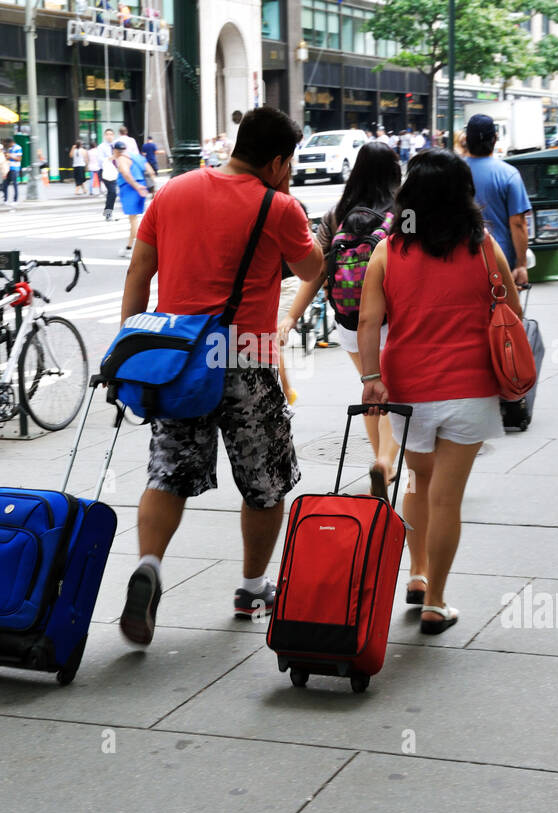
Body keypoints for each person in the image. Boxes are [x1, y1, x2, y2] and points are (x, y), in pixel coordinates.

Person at [118, 105, 323, 645]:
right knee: (264, 479)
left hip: (177, 358)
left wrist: (129, 350)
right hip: (247, 356)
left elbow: (139, 273)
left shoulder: (172, 192)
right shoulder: (280, 206)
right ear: (279, 161)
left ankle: (150, 566)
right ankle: (253, 587)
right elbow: (312, 269)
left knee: (169, 472)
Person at [358, 149, 521, 633]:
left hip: (407, 388)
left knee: (418, 482)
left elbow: (368, 321)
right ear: (462, 196)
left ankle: (416, 572)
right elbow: (510, 308)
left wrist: (371, 379)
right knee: (448, 497)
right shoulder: (484, 247)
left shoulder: (388, 250)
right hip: (470, 388)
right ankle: (436, 601)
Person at [279, 140, 402, 490]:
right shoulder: (402, 211)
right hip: (395, 320)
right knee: (395, 391)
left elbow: (316, 271)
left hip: (350, 323)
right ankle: (385, 462)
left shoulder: (337, 214)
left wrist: (292, 316)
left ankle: (379, 459)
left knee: (370, 386)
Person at [464, 113, 532, 287]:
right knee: (505, 312)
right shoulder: (509, 175)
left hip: (461, 257)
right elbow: (518, 223)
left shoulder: (453, 172)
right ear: (494, 139)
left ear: (466, 139)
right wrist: (521, 265)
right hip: (499, 259)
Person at [114, 139, 156, 256]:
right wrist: (152, 189)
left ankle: (133, 249)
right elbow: (151, 172)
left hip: (130, 189)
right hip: (143, 187)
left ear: (116, 151)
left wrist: (136, 186)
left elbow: (125, 173)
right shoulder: (138, 157)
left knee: (133, 220)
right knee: (136, 219)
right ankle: (129, 247)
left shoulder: (121, 159)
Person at [100, 129, 119, 219]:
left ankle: (108, 212)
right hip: (106, 171)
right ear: (104, 136)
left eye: (111, 134)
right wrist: (111, 158)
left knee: (112, 193)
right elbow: (100, 160)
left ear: (113, 135)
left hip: (117, 170)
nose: (109, 136)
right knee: (112, 192)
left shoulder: (117, 145)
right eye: (107, 134)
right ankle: (108, 213)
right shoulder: (101, 147)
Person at [3, 138, 21, 203]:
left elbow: (19, 159)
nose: (7, 146)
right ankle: (5, 199)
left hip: (15, 168)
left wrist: (10, 156)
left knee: (14, 184)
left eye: (7, 144)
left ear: (10, 143)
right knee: (5, 184)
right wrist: (6, 155)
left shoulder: (18, 148)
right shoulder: (10, 149)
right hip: (8, 168)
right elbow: (7, 158)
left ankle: (15, 200)